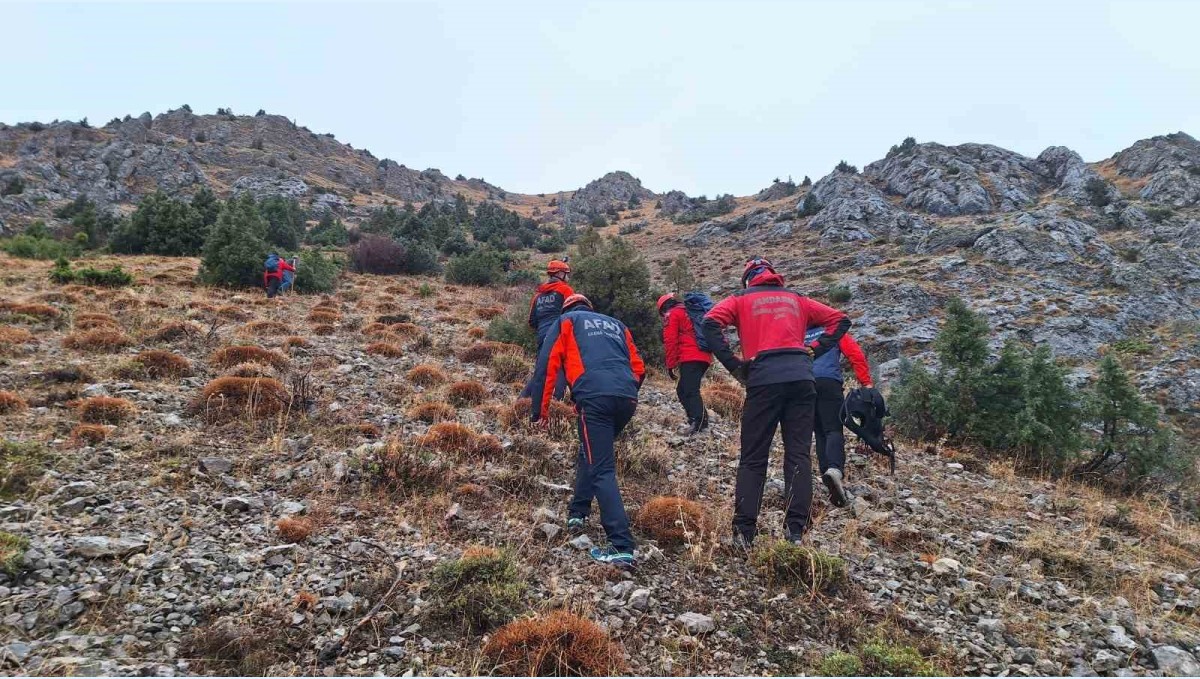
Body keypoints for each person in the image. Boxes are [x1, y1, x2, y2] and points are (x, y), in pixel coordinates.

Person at [702, 256, 850, 547]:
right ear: (773, 275)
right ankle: (795, 532)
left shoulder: (740, 298)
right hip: (802, 378)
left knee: (753, 457)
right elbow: (840, 320)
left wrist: (734, 365)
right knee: (798, 455)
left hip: (763, 378)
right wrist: (814, 349)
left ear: (748, 279)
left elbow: (709, 323)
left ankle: (744, 533)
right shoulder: (797, 299)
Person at [529, 293, 645, 568]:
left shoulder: (566, 321)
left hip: (595, 398)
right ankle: (578, 511)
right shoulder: (617, 325)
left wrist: (539, 412)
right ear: (590, 308)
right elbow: (639, 369)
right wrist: (623, 390)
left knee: (602, 468)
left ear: (567, 308)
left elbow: (546, 365)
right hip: (626, 398)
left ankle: (621, 546)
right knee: (591, 452)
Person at [804, 326, 873, 508]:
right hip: (829, 382)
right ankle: (834, 470)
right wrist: (866, 383)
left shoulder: (799, 332)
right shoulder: (833, 330)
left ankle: (827, 478)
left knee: (819, 432)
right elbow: (855, 355)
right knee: (833, 429)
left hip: (803, 384)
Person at [657, 293, 712, 435]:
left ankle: (698, 422)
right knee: (682, 390)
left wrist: (670, 365)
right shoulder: (690, 312)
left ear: (664, 308)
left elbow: (670, 341)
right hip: (704, 356)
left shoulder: (672, 314)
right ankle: (696, 419)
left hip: (690, 356)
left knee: (689, 390)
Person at [519, 259, 573, 400]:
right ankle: (556, 401)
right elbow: (573, 313)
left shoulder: (538, 296)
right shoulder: (565, 290)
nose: (568, 276)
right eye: (566, 273)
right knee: (561, 368)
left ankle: (522, 400)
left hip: (542, 336)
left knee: (541, 370)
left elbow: (531, 321)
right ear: (560, 274)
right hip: (560, 334)